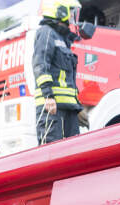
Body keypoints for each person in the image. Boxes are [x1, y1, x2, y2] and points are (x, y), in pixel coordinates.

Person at [33, 0, 84, 145]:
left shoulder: (63, 38)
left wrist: (77, 107)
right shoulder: (46, 32)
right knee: (50, 153)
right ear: (60, 11)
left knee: (74, 153)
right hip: (52, 107)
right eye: (71, 11)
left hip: (68, 108)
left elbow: (68, 78)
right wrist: (48, 96)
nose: (72, 16)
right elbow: (40, 64)